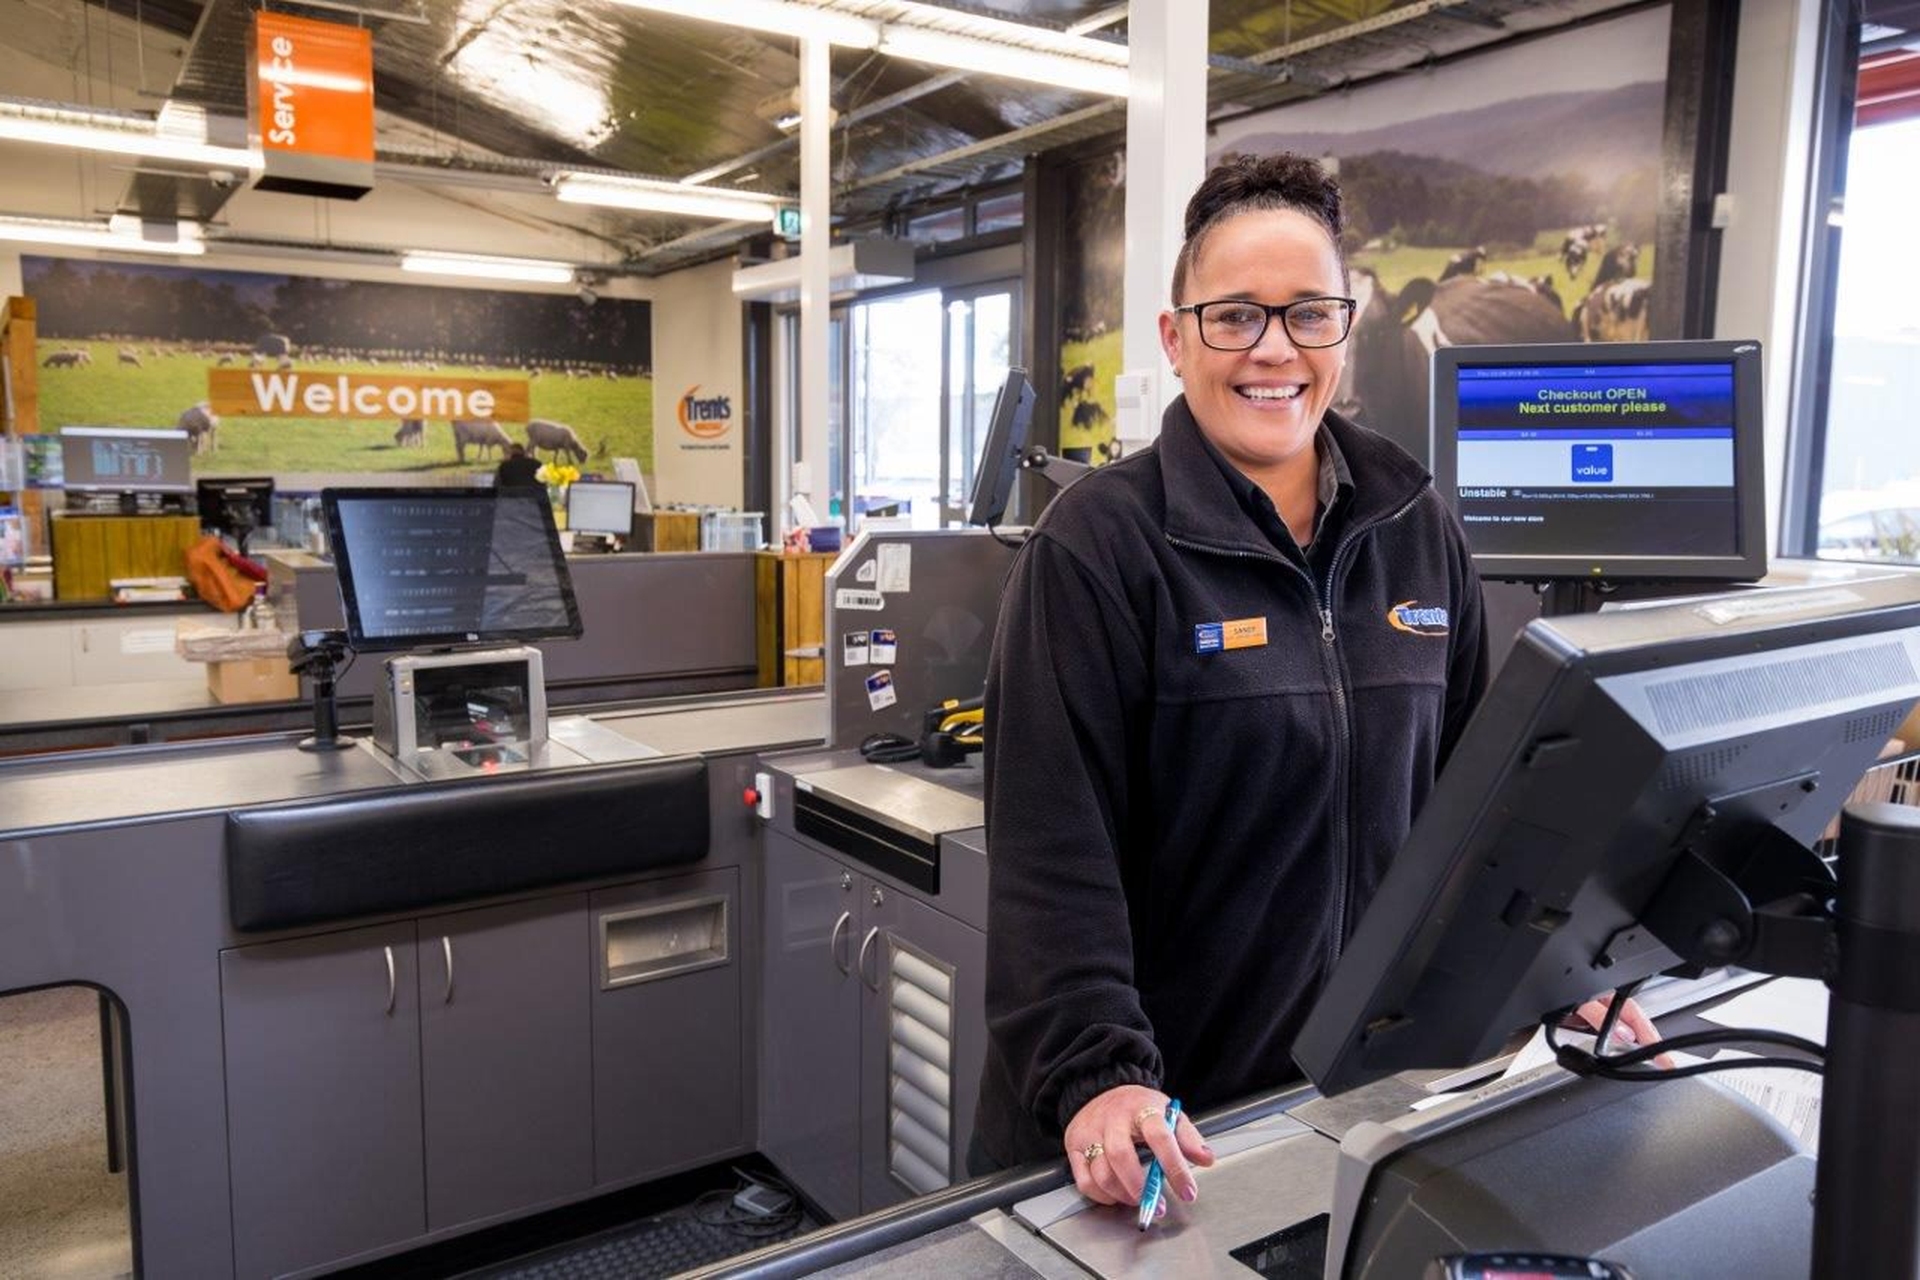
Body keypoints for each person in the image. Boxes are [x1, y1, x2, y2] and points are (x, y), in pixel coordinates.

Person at [969, 153, 1664, 1211]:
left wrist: (1552, 974)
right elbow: (1051, 856)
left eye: (1307, 315)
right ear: (1175, 335)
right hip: (1149, 1133)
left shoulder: (1413, 524)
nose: (1274, 351)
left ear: (1346, 325)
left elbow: (1487, 810)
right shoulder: (1099, 547)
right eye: (1235, 316)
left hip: (1344, 1111)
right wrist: (1098, 1073)